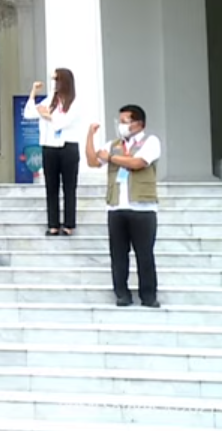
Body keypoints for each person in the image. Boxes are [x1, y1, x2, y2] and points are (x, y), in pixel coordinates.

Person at [85, 105, 161, 308]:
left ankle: (149, 296)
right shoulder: (114, 144)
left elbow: (137, 162)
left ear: (139, 124)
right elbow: (93, 162)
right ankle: (122, 293)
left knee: (144, 254)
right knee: (118, 254)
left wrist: (110, 158)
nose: (121, 125)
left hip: (143, 209)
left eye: (125, 121)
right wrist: (90, 137)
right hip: (116, 207)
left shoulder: (150, 142)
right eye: (120, 121)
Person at [24, 69, 80, 236]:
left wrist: (47, 116)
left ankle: (69, 224)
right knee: (51, 186)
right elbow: (29, 113)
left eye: (57, 80)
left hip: (68, 146)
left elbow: (62, 122)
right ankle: (53, 224)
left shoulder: (75, 102)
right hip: (49, 146)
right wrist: (33, 93)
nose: (54, 84)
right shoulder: (51, 100)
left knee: (69, 187)